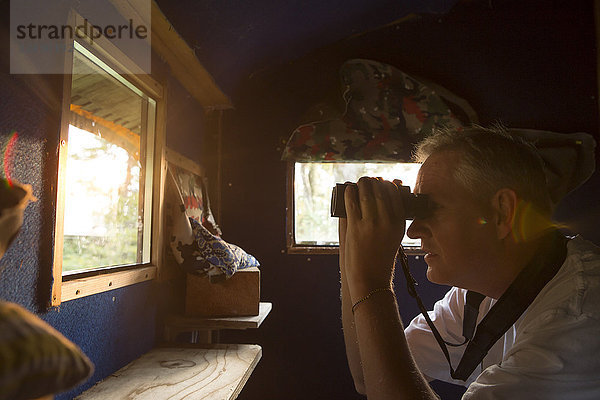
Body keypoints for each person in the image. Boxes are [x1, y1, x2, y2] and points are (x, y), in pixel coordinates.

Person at [339, 126, 600, 399]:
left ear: (502, 212)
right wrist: (353, 249)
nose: (413, 231)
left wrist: (371, 280)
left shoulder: (577, 322)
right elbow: (369, 378)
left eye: (430, 208)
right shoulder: (479, 295)